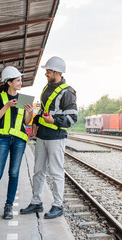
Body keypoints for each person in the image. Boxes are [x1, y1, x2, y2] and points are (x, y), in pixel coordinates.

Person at [20, 56, 77, 219]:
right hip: (43, 136)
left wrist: (54, 121)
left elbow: (72, 118)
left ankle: (58, 206)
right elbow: (44, 111)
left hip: (57, 137)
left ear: (57, 72)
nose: (46, 74)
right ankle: (36, 202)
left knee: (56, 172)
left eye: (49, 71)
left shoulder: (68, 92)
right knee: (38, 171)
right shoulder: (46, 89)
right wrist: (37, 120)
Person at [0, 66, 33, 220]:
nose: (20, 83)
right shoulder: (0, 98)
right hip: (2, 139)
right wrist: (7, 106)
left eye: (20, 80)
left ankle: (8, 206)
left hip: (19, 140)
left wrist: (29, 112)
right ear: (9, 82)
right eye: (18, 80)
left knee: (14, 173)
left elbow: (27, 122)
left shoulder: (24, 99)